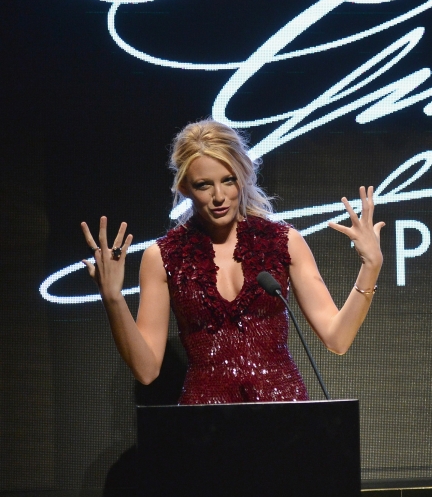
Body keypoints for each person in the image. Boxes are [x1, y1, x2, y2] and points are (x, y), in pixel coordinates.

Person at [81, 119, 384, 404]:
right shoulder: (164, 256)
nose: (219, 196)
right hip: (205, 422)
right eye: (203, 185)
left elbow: (337, 338)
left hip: (284, 416)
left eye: (228, 180)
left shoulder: (283, 241)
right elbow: (147, 371)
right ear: (185, 187)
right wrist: (113, 298)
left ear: (243, 177)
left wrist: (370, 266)